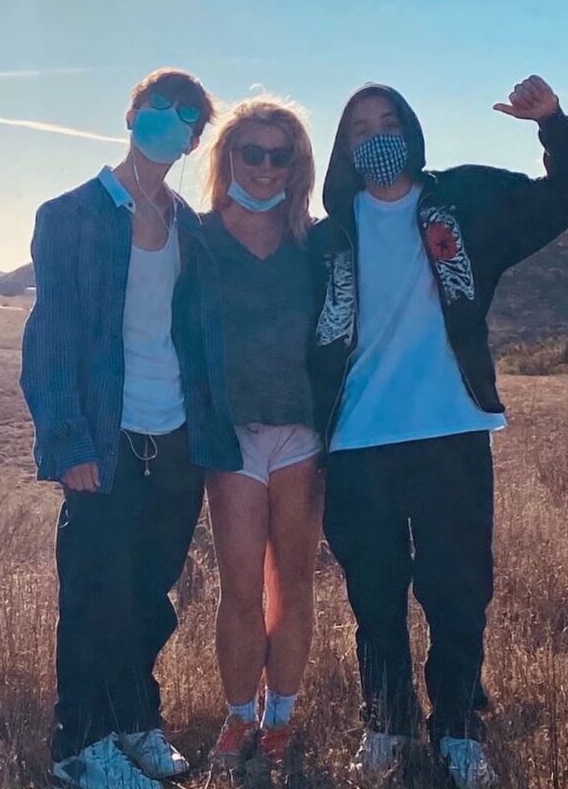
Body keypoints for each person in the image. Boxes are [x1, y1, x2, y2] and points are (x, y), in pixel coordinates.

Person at [309, 75, 568, 789]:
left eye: (388, 122)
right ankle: (388, 723)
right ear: (345, 149)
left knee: (459, 589)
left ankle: (461, 727)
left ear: (411, 130)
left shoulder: (462, 204)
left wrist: (552, 124)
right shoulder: (327, 239)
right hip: (356, 443)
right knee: (374, 595)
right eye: (361, 130)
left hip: (451, 430)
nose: (378, 139)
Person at [20, 68, 242, 789]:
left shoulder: (189, 225)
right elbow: (50, 336)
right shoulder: (72, 213)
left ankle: (133, 720)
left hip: (175, 435)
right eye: (160, 107)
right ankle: (79, 746)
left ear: (195, 138)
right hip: (107, 438)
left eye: (187, 115)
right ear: (131, 113)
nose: (170, 121)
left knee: (149, 595)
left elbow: (199, 336)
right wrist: (69, 441)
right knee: (95, 594)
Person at [201, 98, 323, 772]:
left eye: (283, 155)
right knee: (240, 588)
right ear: (228, 158)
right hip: (234, 437)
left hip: (302, 433)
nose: (268, 167)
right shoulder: (198, 237)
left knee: (294, 587)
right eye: (254, 152)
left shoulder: (315, 242)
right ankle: (238, 717)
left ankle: (280, 718)